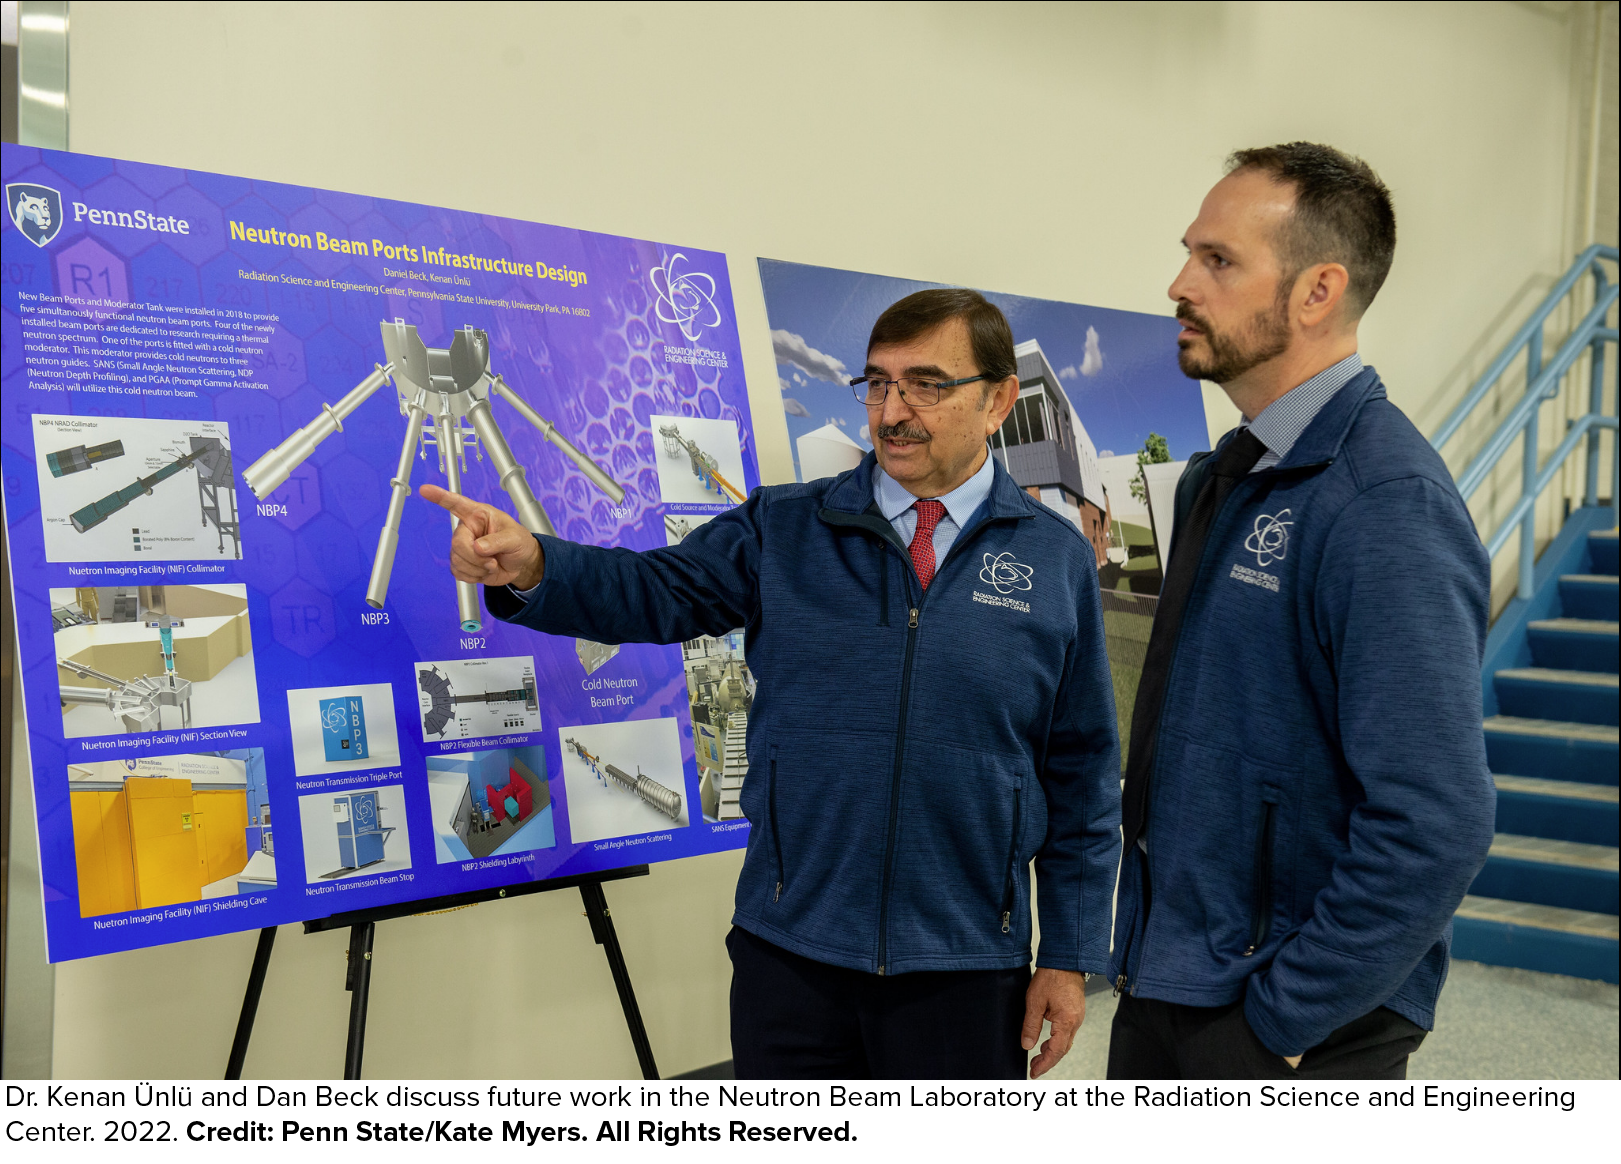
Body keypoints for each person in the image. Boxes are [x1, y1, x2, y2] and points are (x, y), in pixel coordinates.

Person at [422, 289, 1121, 1080]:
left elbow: (1081, 774)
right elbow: (655, 589)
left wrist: (1066, 953)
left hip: (964, 964)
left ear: (996, 401)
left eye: (925, 385)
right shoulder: (785, 528)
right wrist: (539, 566)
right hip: (790, 958)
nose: (892, 411)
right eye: (877, 384)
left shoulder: (1052, 559)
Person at [1106, 142, 1495, 1079]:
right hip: (1176, 974)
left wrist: (1277, 1023)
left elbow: (1436, 822)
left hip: (1284, 1020)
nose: (1178, 283)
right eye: (1189, 252)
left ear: (1317, 291)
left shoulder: (1381, 504)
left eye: (1218, 261)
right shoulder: (1226, 476)